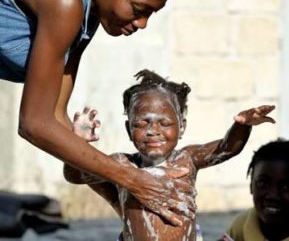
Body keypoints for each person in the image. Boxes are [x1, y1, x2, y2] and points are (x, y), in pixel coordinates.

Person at [0, 0, 191, 224]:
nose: (142, 24)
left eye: (152, 13)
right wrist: (133, 180)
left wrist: (123, 200)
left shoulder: (87, 18)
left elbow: (55, 117)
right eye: (138, 9)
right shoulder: (65, 1)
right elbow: (35, 124)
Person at [64, 69, 276, 241]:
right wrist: (78, 141)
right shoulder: (121, 164)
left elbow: (225, 148)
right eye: (141, 123)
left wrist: (242, 126)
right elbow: (75, 175)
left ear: (182, 126)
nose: (153, 130)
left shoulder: (187, 159)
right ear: (129, 129)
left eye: (164, 123)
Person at [223, 139, 289, 241]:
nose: (273, 195)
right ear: (251, 186)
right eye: (263, 183)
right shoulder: (242, 225)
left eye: (286, 187)